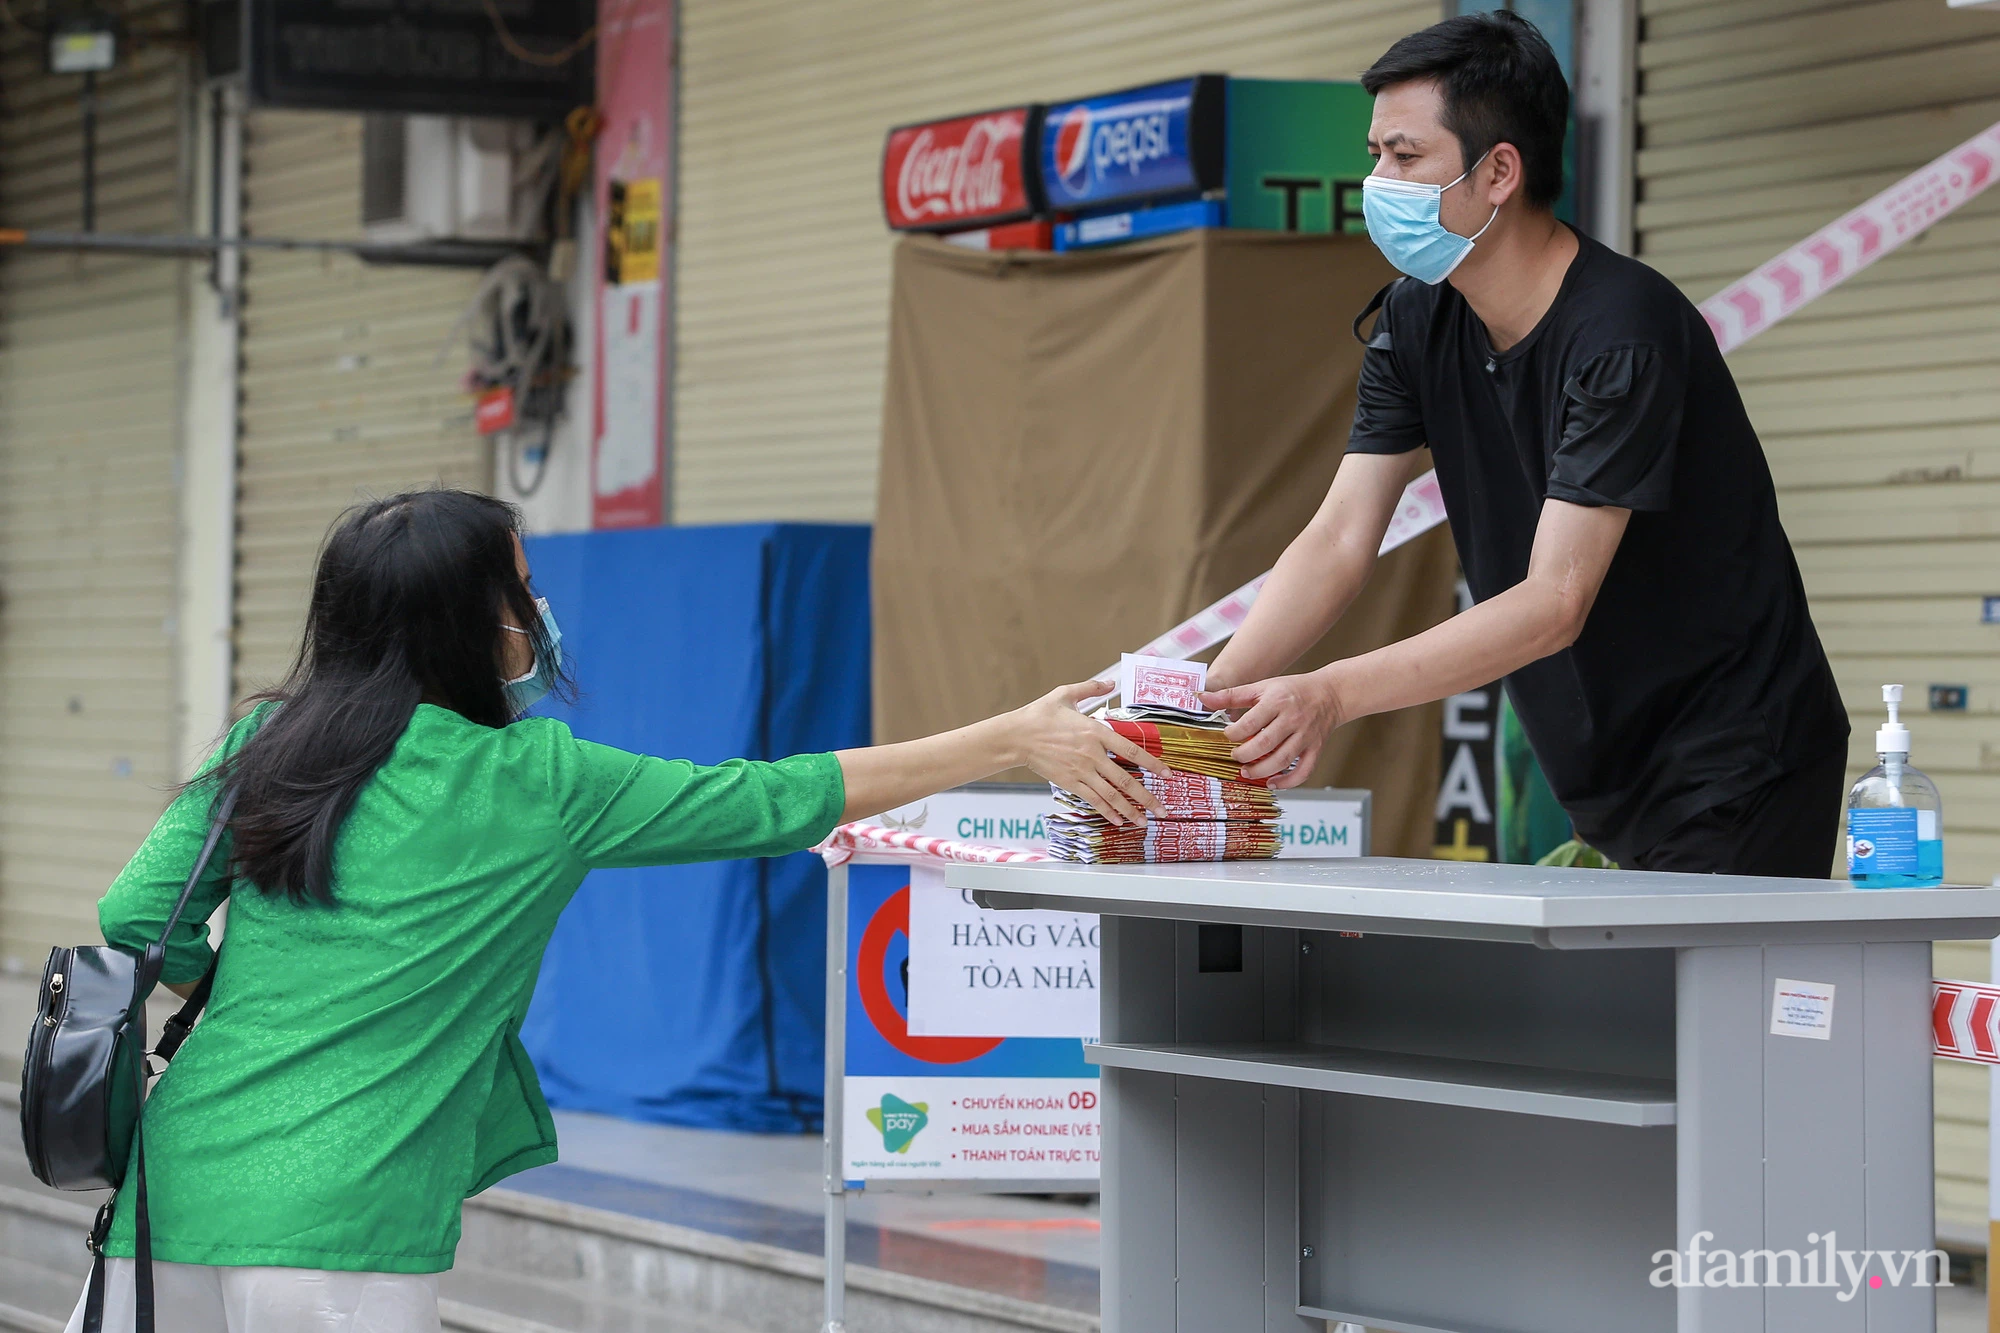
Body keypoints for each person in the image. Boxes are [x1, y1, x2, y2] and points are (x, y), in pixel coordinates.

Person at [68, 488, 1168, 1333]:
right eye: (521, 586)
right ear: (473, 622)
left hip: (170, 1188)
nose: (536, 612)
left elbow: (133, 917)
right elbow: (777, 798)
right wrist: (1011, 738)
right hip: (348, 1218)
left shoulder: (263, 742)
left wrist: (274, 1002)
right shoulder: (538, 778)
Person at [1202, 11, 1848, 876]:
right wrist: (1201, 708)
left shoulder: (1622, 334)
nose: (1377, 183)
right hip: (1606, 774)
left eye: (1404, 157)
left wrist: (1329, 694)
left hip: (1738, 766)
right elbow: (1339, 538)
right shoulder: (1418, 314)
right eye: (1373, 156)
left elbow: (1555, 600)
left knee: (1699, 1012)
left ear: (1499, 170)